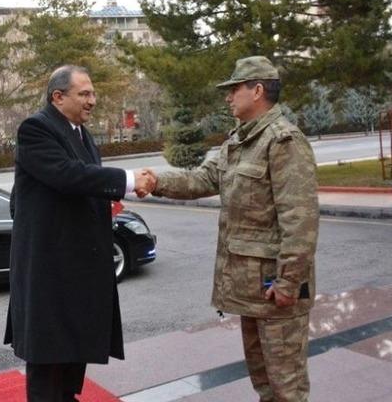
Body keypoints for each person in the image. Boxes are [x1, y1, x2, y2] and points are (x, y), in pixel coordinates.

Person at [137, 56, 319, 402]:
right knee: (264, 381)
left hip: (276, 290)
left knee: (287, 387)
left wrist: (289, 282)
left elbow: (300, 220)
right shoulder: (240, 140)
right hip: (252, 289)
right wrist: (157, 180)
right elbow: (204, 179)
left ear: (258, 90)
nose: (228, 97)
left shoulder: (283, 141)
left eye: (235, 89)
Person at [4, 65, 149, 402]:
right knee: (48, 361)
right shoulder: (36, 129)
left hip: (77, 270)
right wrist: (129, 180)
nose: (92, 100)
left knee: (72, 353)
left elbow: (80, 184)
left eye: (93, 93)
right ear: (58, 97)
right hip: (49, 271)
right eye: (84, 93)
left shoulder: (82, 134)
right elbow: (69, 175)